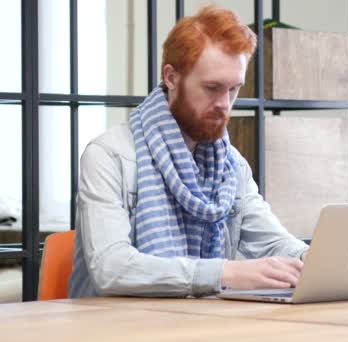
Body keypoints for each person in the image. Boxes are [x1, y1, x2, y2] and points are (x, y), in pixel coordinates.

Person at [68, 5, 309, 298]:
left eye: (234, 89)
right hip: (115, 328)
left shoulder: (232, 165)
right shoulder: (109, 156)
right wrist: (223, 272)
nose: (224, 103)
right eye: (212, 87)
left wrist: (312, 261)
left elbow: (273, 243)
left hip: (198, 322)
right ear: (171, 78)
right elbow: (112, 268)